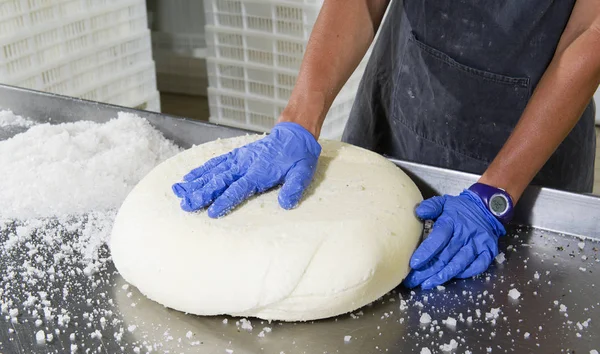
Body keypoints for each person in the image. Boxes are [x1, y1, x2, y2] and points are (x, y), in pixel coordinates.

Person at [172, 0, 599, 290]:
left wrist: (497, 192)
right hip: (408, 87)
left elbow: (590, 34)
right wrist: (299, 119)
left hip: (537, 122)